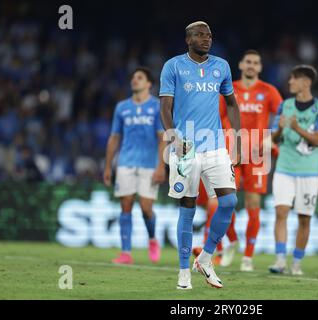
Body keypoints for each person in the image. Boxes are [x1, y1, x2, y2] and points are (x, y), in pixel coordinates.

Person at [159, 21, 241, 290]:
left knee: (229, 202)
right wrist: (173, 136)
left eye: (209, 35)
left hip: (216, 146)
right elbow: (165, 106)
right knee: (188, 207)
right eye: (200, 35)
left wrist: (237, 140)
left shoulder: (222, 66)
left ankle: (205, 258)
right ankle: (183, 272)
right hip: (186, 148)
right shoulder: (173, 66)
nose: (206, 39)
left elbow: (231, 103)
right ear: (188, 39)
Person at [195, 50, 283, 271]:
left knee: (253, 204)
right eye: (248, 62)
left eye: (256, 62)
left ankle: (247, 257)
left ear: (260, 67)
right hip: (231, 150)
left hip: (257, 154)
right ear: (241, 65)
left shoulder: (268, 91)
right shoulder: (228, 88)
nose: (252, 65)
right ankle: (231, 241)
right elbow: (216, 116)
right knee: (222, 202)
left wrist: (271, 138)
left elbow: (283, 114)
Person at [269, 65, 318, 275]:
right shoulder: (284, 106)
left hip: (310, 171)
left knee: (304, 218)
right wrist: (279, 129)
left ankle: (296, 263)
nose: (290, 83)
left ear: (306, 82)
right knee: (281, 212)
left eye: (293, 79)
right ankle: (279, 261)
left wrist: (296, 128)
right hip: (285, 167)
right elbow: (273, 139)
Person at [104, 66, 166, 265]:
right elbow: (114, 138)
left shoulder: (157, 106)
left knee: (146, 208)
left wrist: (161, 166)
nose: (134, 80)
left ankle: (152, 239)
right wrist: (107, 166)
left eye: (139, 78)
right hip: (125, 162)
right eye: (133, 78)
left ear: (148, 83)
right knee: (126, 205)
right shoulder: (122, 107)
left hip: (149, 164)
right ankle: (125, 253)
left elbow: (162, 138)